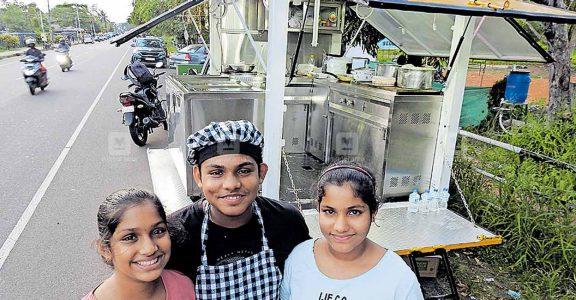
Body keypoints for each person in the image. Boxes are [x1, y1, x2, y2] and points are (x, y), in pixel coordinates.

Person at [167, 119, 310, 299]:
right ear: (198, 176)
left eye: (244, 171)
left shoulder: (287, 221)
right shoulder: (175, 233)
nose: (231, 184)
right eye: (216, 172)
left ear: (262, 173)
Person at [280, 161, 424, 300]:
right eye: (329, 211)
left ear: (373, 213)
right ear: (318, 209)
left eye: (354, 212)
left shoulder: (398, 279)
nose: (340, 227)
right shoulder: (299, 258)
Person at [83, 189, 195, 300]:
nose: (150, 249)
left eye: (157, 231)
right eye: (130, 237)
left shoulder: (183, 286)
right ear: (105, 250)